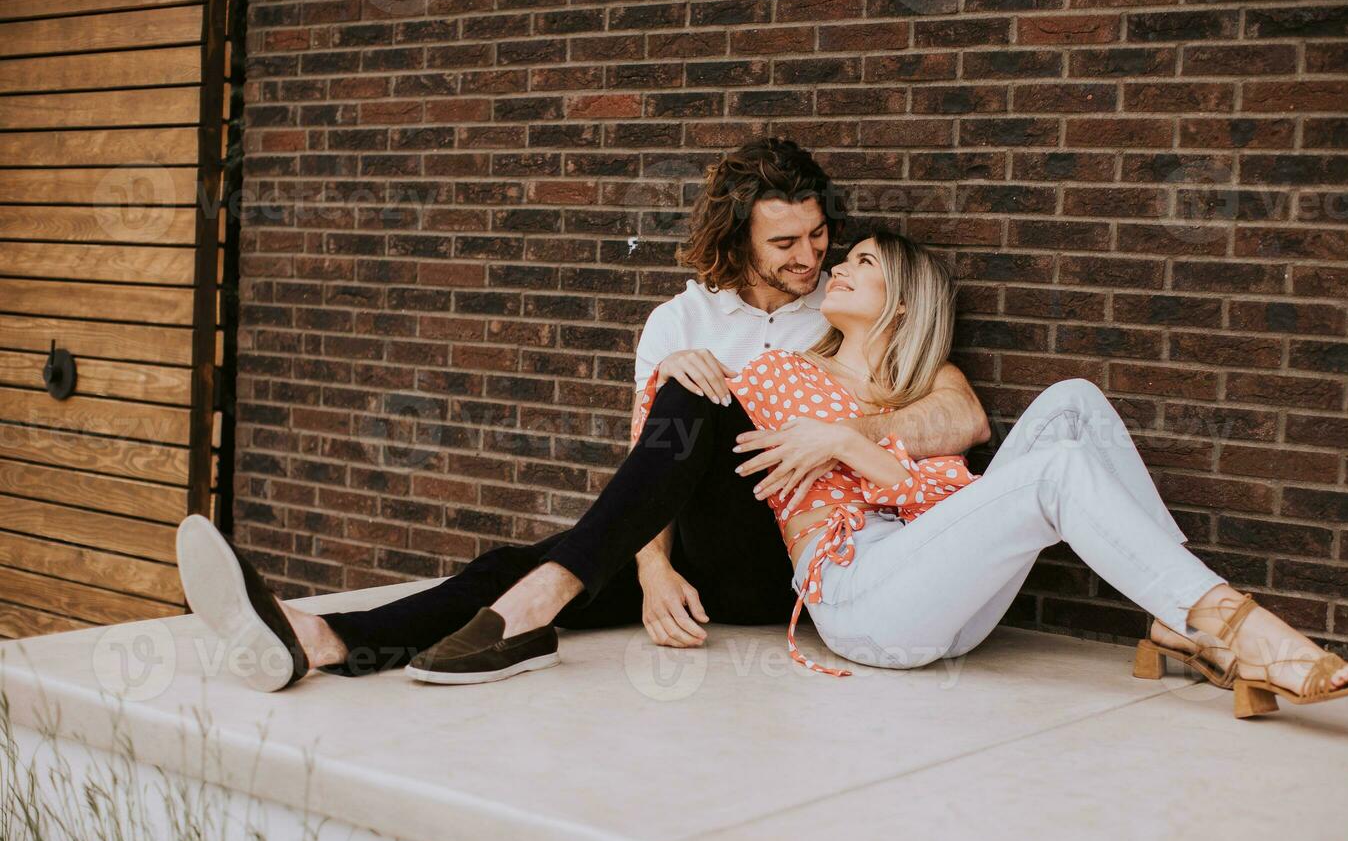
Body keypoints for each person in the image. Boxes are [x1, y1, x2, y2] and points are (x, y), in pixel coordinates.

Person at [407, 230, 1348, 720]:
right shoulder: (779, 372)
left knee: (1077, 402)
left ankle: (1183, 616)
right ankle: (1223, 623)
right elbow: (662, 452)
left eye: (862, 262)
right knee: (1049, 468)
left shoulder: (930, 382)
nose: (838, 266)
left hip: (940, 578)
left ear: (902, 296)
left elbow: (952, 499)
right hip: (861, 595)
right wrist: (679, 380)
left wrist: (853, 447)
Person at [173, 138, 988, 692]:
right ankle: (324, 641)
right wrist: (651, 570)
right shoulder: (680, 322)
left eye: (819, 237)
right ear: (737, 242)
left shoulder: (844, 312)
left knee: (691, 399)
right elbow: (653, 468)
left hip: (796, 555)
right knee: (515, 562)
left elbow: (960, 413)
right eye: (785, 244)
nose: (811, 259)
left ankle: (535, 605)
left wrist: (851, 432)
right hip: (704, 548)